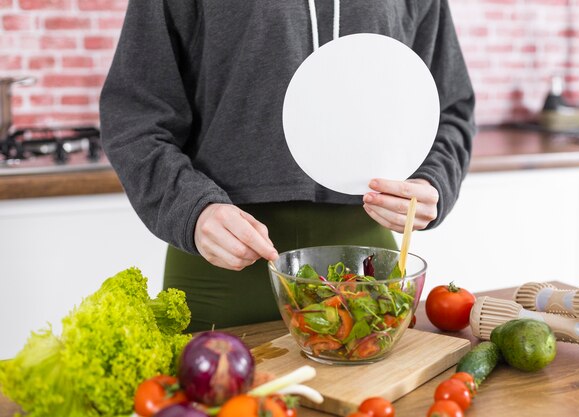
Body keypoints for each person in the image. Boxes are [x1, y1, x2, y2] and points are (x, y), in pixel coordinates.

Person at [100, 0, 475, 332]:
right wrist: (193, 211)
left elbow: (450, 108)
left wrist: (433, 181)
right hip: (222, 261)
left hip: (365, 270)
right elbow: (135, 116)